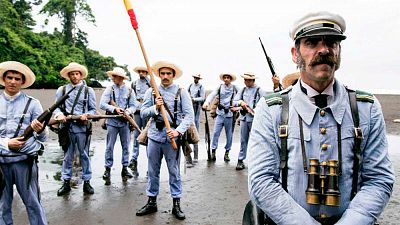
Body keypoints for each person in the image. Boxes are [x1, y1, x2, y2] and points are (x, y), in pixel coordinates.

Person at [248, 12, 395, 224]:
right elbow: (261, 181)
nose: (324, 49)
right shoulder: (271, 109)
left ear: (339, 51)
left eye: (332, 42)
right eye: (312, 42)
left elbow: (379, 179)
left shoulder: (366, 108)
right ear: (295, 53)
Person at [136, 61, 194, 220]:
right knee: (152, 171)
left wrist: (177, 131)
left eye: (169, 74)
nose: (166, 76)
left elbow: (189, 116)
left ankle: (176, 204)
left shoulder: (182, 92)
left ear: (173, 76)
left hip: (172, 138)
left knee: (174, 172)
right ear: (158, 75)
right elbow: (142, 113)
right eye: (163, 74)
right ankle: (151, 202)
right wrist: (155, 107)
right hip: (154, 136)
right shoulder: (151, 92)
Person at [0, 61, 48, 224]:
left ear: (22, 82)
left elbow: (43, 138)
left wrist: (40, 129)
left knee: (33, 203)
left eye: (17, 78)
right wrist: (7, 144)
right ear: (4, 79)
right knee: (1, 206)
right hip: (1, 163)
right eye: (10, 77)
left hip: (24, 162)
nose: (13, 81)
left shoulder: (33, 103)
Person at [54, 62, 97, 196]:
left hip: (82, 128)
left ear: (81, 75)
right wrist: (60, 115)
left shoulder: (88, 90)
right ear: (68, 76)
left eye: (77, 73)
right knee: (67, 156)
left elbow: (92, 109)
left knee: (84, 155)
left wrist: (86, 115)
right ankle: (66, 182)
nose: (74, 76)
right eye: (72, 74)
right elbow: (56, 107)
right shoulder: (62, 90)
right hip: (67, 127)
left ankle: (87, 182)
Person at [100, 67, 137, 182]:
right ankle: (107, 169)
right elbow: (102, 104)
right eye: (113, 76)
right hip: (112, 121)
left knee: (126, 146)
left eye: (115, 76)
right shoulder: (109, 89)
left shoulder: (130, 90)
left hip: (125, 122)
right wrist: (114, 109)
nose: (113, 78)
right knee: (109, 146)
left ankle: (125, 168)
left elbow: (133, 106)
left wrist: (127, 112)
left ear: (120, 78)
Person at [202, 73, 239, 162]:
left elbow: (243, 95)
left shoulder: (235, 88)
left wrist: (237, 106)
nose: (226, 79)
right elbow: (212, 95)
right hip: (220, 113)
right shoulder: (219, 87)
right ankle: (213, 151)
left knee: (229, 135)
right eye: (225, 78)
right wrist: (206, 103)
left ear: (231, 79)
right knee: (215, 133)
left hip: (229, 115)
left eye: (228, 78)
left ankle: (227, 153)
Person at [232, 72, 265, 170]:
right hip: (243, 118)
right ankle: (240, 160)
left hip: (255, 119)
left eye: (249, 80)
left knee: (257, 140)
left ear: (253, 80)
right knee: (243, 140)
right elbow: (234, 101)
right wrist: (241, 102)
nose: (246, 81)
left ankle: (258, 162)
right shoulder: (242, 90)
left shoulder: (259, 90)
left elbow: (264, 103)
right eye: (245, 80)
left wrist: (254, 110)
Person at [128, 66, 150, 175]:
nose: (142, 73)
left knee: (148, 136)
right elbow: (131, 96)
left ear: (147, 72)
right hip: (136, 110)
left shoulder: (150, 83)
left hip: (147, 111)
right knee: (136, 135)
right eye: (140, 72)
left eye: (144, 72)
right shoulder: (134, 83)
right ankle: (134, 158)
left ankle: (150, 160)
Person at [186, 73, 205, 166]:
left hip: (196, 108)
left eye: (197, 78)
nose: (196, 79)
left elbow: (202, 97)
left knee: (195, 130)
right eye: (195, 78)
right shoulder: (190, 86)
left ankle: (196, 157)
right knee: (187, 131)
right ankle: (188, 156)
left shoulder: (201, 87)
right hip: (189, 107)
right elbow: (186, 94)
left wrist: (194, 99)